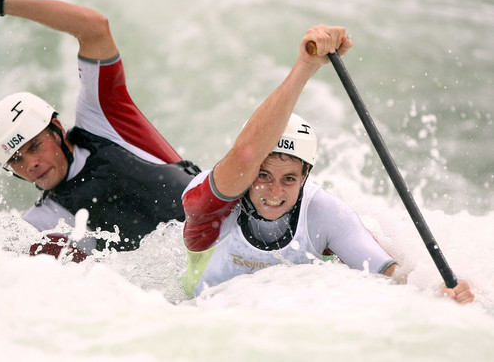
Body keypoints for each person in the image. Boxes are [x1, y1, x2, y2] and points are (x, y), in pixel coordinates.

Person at [181, 25, 475, 304]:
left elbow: (393, 275)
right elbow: (245, 155)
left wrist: (439, 291)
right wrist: (306, 65)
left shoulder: (324, 214)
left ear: (307, 175)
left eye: (289, 179)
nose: (273, 190)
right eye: (263, 174)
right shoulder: (211, 206)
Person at [0, 0, 200, 262]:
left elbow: (95, 27)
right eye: (16, 160)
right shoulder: (43, 222)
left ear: (57, 130)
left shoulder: (103, 120)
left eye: (35, 146)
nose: (30, 165)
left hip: (234, 238)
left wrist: (0, 4)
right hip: (216, 294)